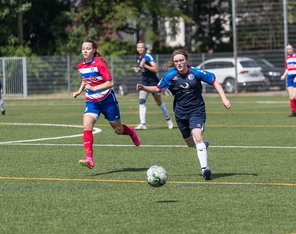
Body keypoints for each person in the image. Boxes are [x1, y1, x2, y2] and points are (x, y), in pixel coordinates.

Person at [136, 49, 232, 180]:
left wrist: (224, 98)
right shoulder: (170, 76)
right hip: (180, 113)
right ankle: (202, 145)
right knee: (190, 143)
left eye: (181, 60)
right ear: (173, 63)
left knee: (197, 136)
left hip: (197, 111)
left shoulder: (196, 72)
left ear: (186, 60)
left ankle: (205, 169)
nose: (179, 63)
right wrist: (144, 88)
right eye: (176, 61)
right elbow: (158, 89)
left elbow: (215, 81)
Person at [73, 40, 140, 169]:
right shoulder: (81, 66)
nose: (85, 51)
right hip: (92, 102)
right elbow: (84, 79)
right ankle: (89, 159)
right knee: (87, 125)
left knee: (118, 130)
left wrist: (94, 89)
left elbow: (110, 83)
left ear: (93, 50)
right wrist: (79, 91)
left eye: (88, 48)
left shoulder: (99, 64)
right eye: (83, 49)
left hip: (108, 100)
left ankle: (131, 132)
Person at [132, 42, 173, 130]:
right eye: (138, 47)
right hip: (144, 83)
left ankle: (168, 119)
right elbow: (141, 68)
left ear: (144, 48)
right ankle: (143, 124)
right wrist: (137, 69)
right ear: (137, 49)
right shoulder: (138, 58)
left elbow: (155, 69)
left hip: (153, 83)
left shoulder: (148, 57)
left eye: (142, 47)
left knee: (159, 102)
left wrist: (145, 65)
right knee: (141, 101)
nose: (140, 49)